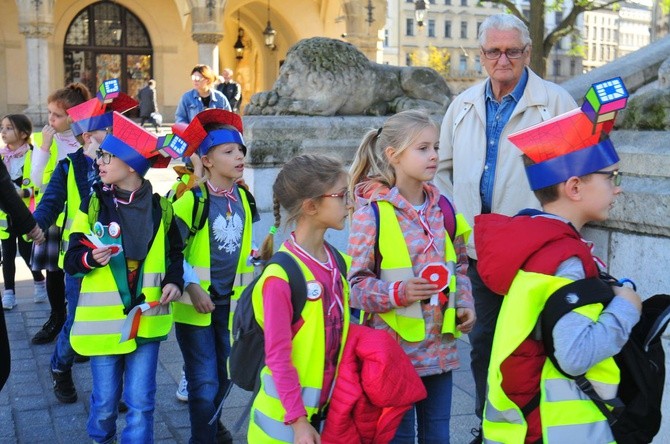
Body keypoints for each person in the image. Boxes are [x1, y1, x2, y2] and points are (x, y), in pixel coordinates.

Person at [434, 14, 577, 440]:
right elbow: (442, 170)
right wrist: (457, 226)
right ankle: (488, 425)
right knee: (483, 345)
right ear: (480, 56)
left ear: (527, 53)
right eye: (494, 51)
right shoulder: (461, 106)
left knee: (531, 346)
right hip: (478, 250)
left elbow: (580, 175)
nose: (503, 59)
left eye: (512, 50)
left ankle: (531, 430)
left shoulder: (555, 102)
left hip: (534, 252)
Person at [474, 78, 641, 443]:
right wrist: (627, 308)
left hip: (524, 427)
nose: (618, 187)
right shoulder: (564, 258)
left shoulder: (536, 242)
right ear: (575, 187)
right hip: (557, 428)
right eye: (611, 176)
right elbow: (574, 355)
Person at [347, 110, 476, 443]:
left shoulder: (444, 208)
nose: (434, 155)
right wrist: (398, 292)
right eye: (422, 148)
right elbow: (356, 287)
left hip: (441, 351)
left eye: (435, 147)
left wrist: (464, 303)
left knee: (438, 434)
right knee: (398, 437)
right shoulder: (371, 214)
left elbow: (459, 265)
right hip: (395, 355)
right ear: (394, 156)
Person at [63, 111, 183, 443]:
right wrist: (88, 258)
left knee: (141, 402)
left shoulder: (162, 209)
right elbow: (71, 260)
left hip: (147, 322)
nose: (100, 161)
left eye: (108, 156)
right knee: (104, 404)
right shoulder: (94, 206)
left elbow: (175, 255)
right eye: (101, 155)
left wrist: (175, 282)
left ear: (131, 165)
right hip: (102, 326)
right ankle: (100, 438)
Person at [34, 79, 138, 404]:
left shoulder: (125, 163)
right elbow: (50, 203)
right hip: (81, 258)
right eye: (105, 132)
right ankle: (60, 366)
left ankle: (109, 389)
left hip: (121, 255)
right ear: (85, 136)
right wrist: (34, 226)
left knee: (116, 318)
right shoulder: (70, 166)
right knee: (79, 319)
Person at [246, 154, 352, 443]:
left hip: (322, 416)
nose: (350, 204)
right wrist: (298, 422)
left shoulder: (337, 262)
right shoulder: (281, 278)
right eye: (342, 195)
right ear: (311, 206)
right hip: (284, 426)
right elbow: (279, 357)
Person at [171, 109, 259, 443]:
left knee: (225, 372)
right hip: (195, 304)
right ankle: (202, 437)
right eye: (228, 152)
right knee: (203, 377)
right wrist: (192, 288)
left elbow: (239, 247)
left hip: (230, 304)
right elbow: (172, 250)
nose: (239, 156)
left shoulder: (244, 199)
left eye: (240, 150)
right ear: (206, 160)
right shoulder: (190, 200)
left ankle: (213, 423)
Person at [30, 82, 92, 345]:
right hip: (52, 217)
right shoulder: (45, 140)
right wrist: (44, 146)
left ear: (73, 116)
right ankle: (57, 317)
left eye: (56, 115)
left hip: (79, 219)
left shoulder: (87, 139)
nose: (50, 120)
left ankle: (79, 325)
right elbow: (35, 180)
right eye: (49, 114)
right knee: (53, 270)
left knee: (79, 273)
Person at [0, 158, 45, 391]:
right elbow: (3, 188)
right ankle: (10, 291)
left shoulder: (29, 153)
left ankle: (39, 284)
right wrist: (31, 225)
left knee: (28, 259)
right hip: (9, 225)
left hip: (19, 222)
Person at [0, 114, 46, 310]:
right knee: (7, 255)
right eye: (2, 128)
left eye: (9, 128)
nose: (3, 132)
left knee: (27, 253)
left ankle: (39, 282)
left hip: (26, 214)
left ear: (24, 133)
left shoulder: (33, 155)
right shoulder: (2, 156)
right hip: (5, 217)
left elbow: (39, 185)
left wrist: (21, 192)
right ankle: (9, 293)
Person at [175, 64, 231, 179]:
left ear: (207, 79)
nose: (195, 81)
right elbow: (180, 119)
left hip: (215, 145)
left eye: (198, 78)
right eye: (193, 78)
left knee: (214, 178)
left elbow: (229, 121)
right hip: (194, 147)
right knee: (195, 179)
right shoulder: (187, 98)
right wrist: (191, 130)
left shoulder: (220, 98)